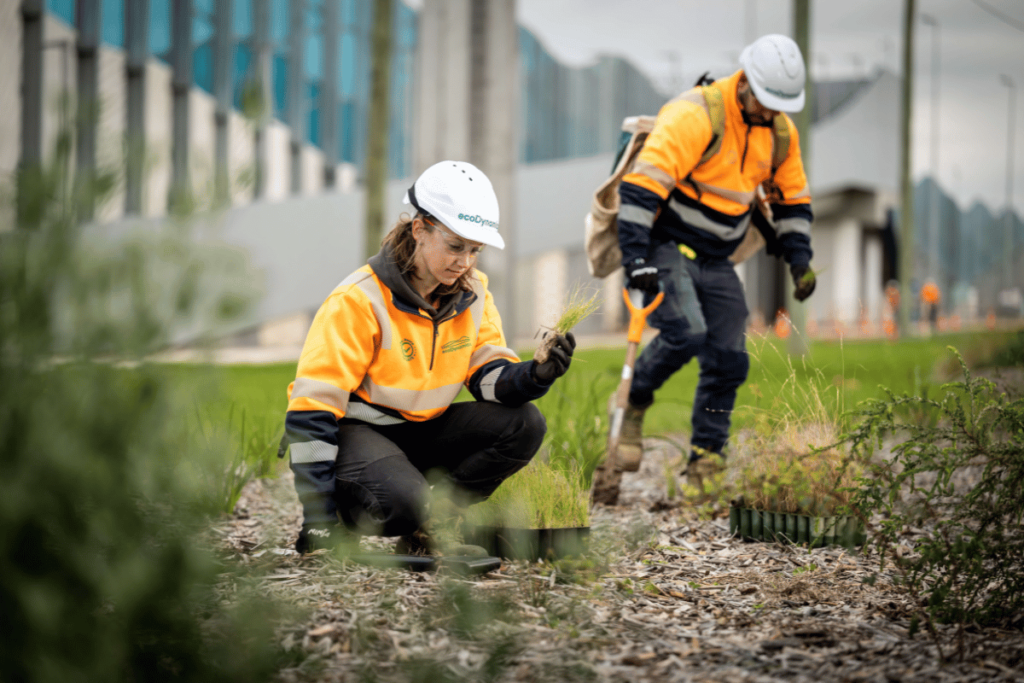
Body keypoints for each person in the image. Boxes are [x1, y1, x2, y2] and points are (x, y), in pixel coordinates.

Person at [282, 161, 576, 555]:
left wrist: (536, 374)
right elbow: (311, 411)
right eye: (456, 246)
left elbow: (488, 378)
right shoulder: (357, 300)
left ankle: (433, 525)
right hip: (356, 434)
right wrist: (317, 519)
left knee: (524, 423)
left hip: (420, 431)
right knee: (404, 504)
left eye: (475, 250)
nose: (466, 262)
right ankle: (368, 512)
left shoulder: (474, 294)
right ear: (420, 229)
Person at [614, 34, 817, 493]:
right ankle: (633, 401)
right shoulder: (695, 114)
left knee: (729, 357)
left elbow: (793, 202)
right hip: (668, 246)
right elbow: (641, 189)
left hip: (718, 257)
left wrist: (800, 261)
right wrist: (636, 259)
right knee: (687, 332)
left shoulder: (781, 133)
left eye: (779, 106)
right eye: (764, 102)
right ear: (745, 82)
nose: (769, 112)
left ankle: (705, 461)